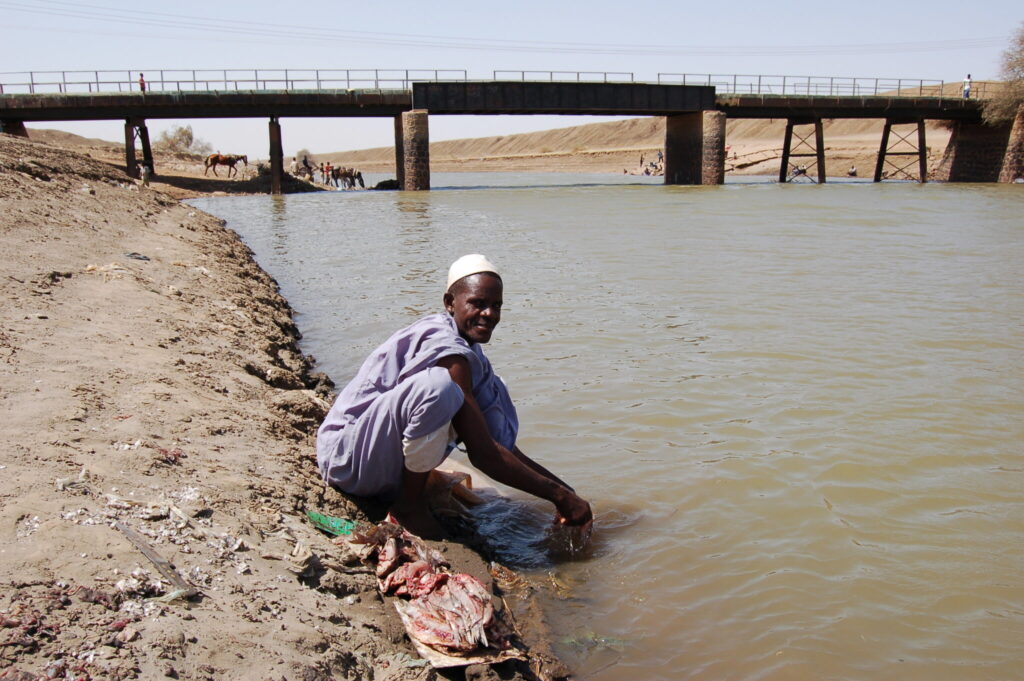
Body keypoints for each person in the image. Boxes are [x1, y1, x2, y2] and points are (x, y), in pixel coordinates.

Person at [316, 254, 593, 540]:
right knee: (440, 389)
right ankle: (408, 507)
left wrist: (567, 495)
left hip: (378, 465)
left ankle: (410, 493)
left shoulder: (473, 356)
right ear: (450, 303)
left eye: (496, 306)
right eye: (478, 303)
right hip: (346, 461)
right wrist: (557, 495)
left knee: (480, 395)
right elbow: (484, 455)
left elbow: (500, 447)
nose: (489, 314)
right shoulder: (447, 350)